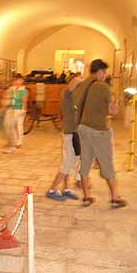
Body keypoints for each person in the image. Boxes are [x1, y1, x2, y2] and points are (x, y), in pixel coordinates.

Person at [67, 59, 127, 208]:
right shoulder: (103, 87)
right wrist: (118, 102)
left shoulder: (82, 84)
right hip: (98, 130)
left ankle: (87, 197)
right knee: (107, 163)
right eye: (105, 72)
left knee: (85, 162)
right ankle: (115, 197)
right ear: (100, 72)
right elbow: (112, 111)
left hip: (82, 128)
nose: (105, 75)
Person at [46, 73, 83, 201]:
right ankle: (52, 190)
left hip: (75, 134)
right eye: (77, 81)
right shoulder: (66, 93)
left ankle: (66, 188)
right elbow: (74, 83)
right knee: (67, 164)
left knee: (71, 161)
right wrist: (83, 79)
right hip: (70, 134)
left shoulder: (75, 97)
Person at [4, 74, 28, 153]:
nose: (17, 82)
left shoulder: (24, 90)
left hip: (20, 109)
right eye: (16, 80)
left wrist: (23, 111)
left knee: (19, 125)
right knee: (12, 125)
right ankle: (15, 140)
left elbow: (25, 101)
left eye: (19, 80)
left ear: (22, 81)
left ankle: (20, 141)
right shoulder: (13, 89)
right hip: (13, 109)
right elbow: (10, 99)